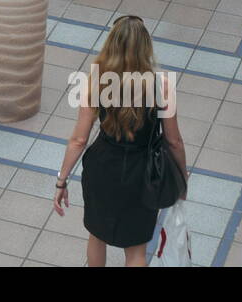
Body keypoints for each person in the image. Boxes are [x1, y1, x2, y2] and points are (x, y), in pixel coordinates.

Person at [53, 16, 187, 267]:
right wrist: (182, 179)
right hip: (143, 174)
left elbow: (79, 140)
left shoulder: (96, 81)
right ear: (145, 47)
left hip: (102, 167)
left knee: (97, 235)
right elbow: (174, 141)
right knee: (136, 250)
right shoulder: (162, 86)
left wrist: (62, 180)